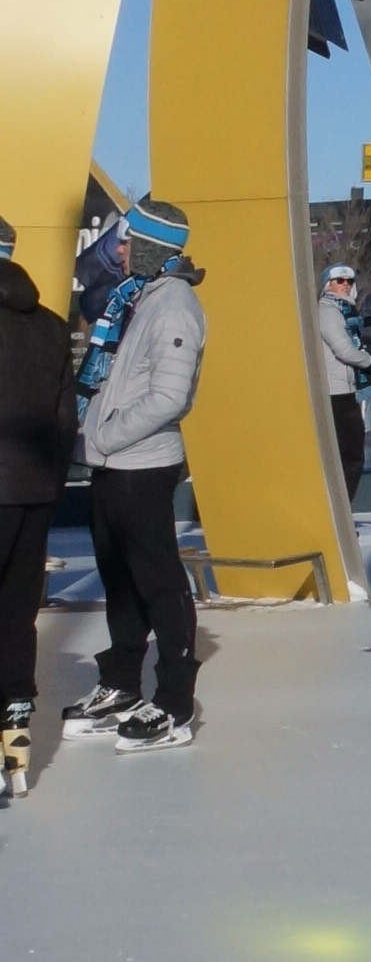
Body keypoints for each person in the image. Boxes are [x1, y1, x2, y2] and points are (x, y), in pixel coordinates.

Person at [71, 195, 207, 750]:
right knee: (120, 581)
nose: (120, 251)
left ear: (153, 247)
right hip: (112, 465)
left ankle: (175, 704)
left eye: (128, 242)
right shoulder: (137, 298)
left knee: (158, 583)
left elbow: (169, 397)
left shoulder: (173, 306)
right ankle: (121, 684)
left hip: (141, 467)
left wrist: (102, 434)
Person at [0, 217, 77, 804]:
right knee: (16, 616)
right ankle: (16, 728)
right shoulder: (51, 329)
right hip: (33, 493)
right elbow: (63, 421)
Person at [314, 260, 371, 501]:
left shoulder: (344, 313)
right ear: (327, 285)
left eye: (349, 281)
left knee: (345, 457)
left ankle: (338, 509)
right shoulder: (328, 310)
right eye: (339, 281)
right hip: (336, 393)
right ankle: (339, 511)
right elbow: (345, 350)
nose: (345, 285)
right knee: (351, 457)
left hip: (344, 390)